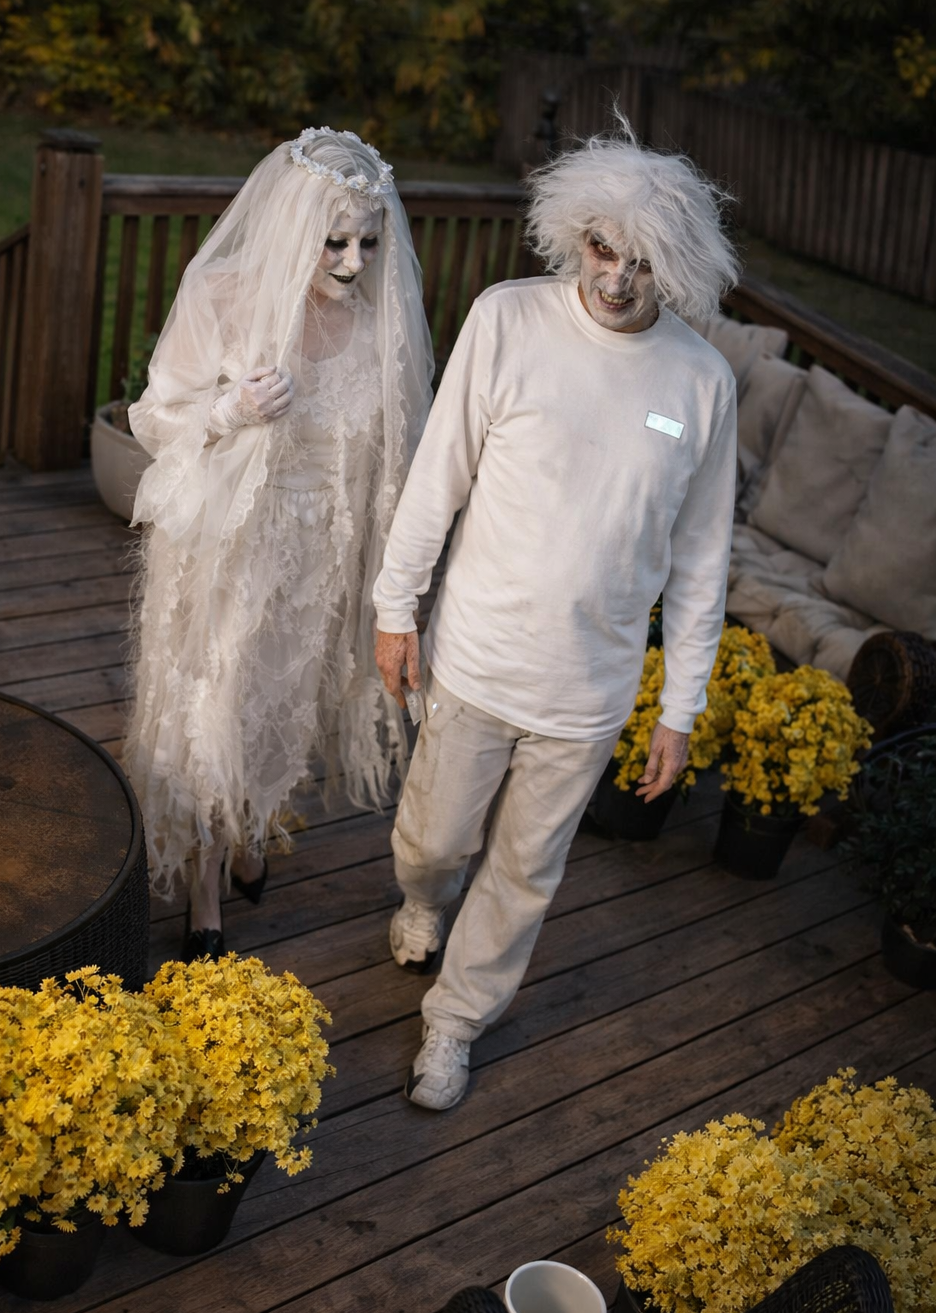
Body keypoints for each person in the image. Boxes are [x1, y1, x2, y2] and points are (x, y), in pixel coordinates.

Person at [373, 120, 740, 1110]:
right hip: (480, 654)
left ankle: (453, 1022)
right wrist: (395, 607)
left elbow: (703, 564)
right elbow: (435, 474)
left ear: (681, 268)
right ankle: (418, 899)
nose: (616, 280)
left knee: (525, 873)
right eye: (601, 249)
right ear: (573, 233)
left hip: (591, 688)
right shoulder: (506, 320)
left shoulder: (702, 384)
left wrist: (679, 710)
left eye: (643, 261)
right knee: (435, 842)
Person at [124, 128, 433, 959]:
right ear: (292, 226)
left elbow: (395, 455)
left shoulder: (377, 325)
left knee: (281, 708)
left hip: (316, 559)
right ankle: (203, 887)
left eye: (368, 241)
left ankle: (253, 820)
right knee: (216, 700)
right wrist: (228, 414)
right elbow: (153, 418)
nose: (353, 262)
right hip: (229, 546)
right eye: (333, 242)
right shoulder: (222, 294)